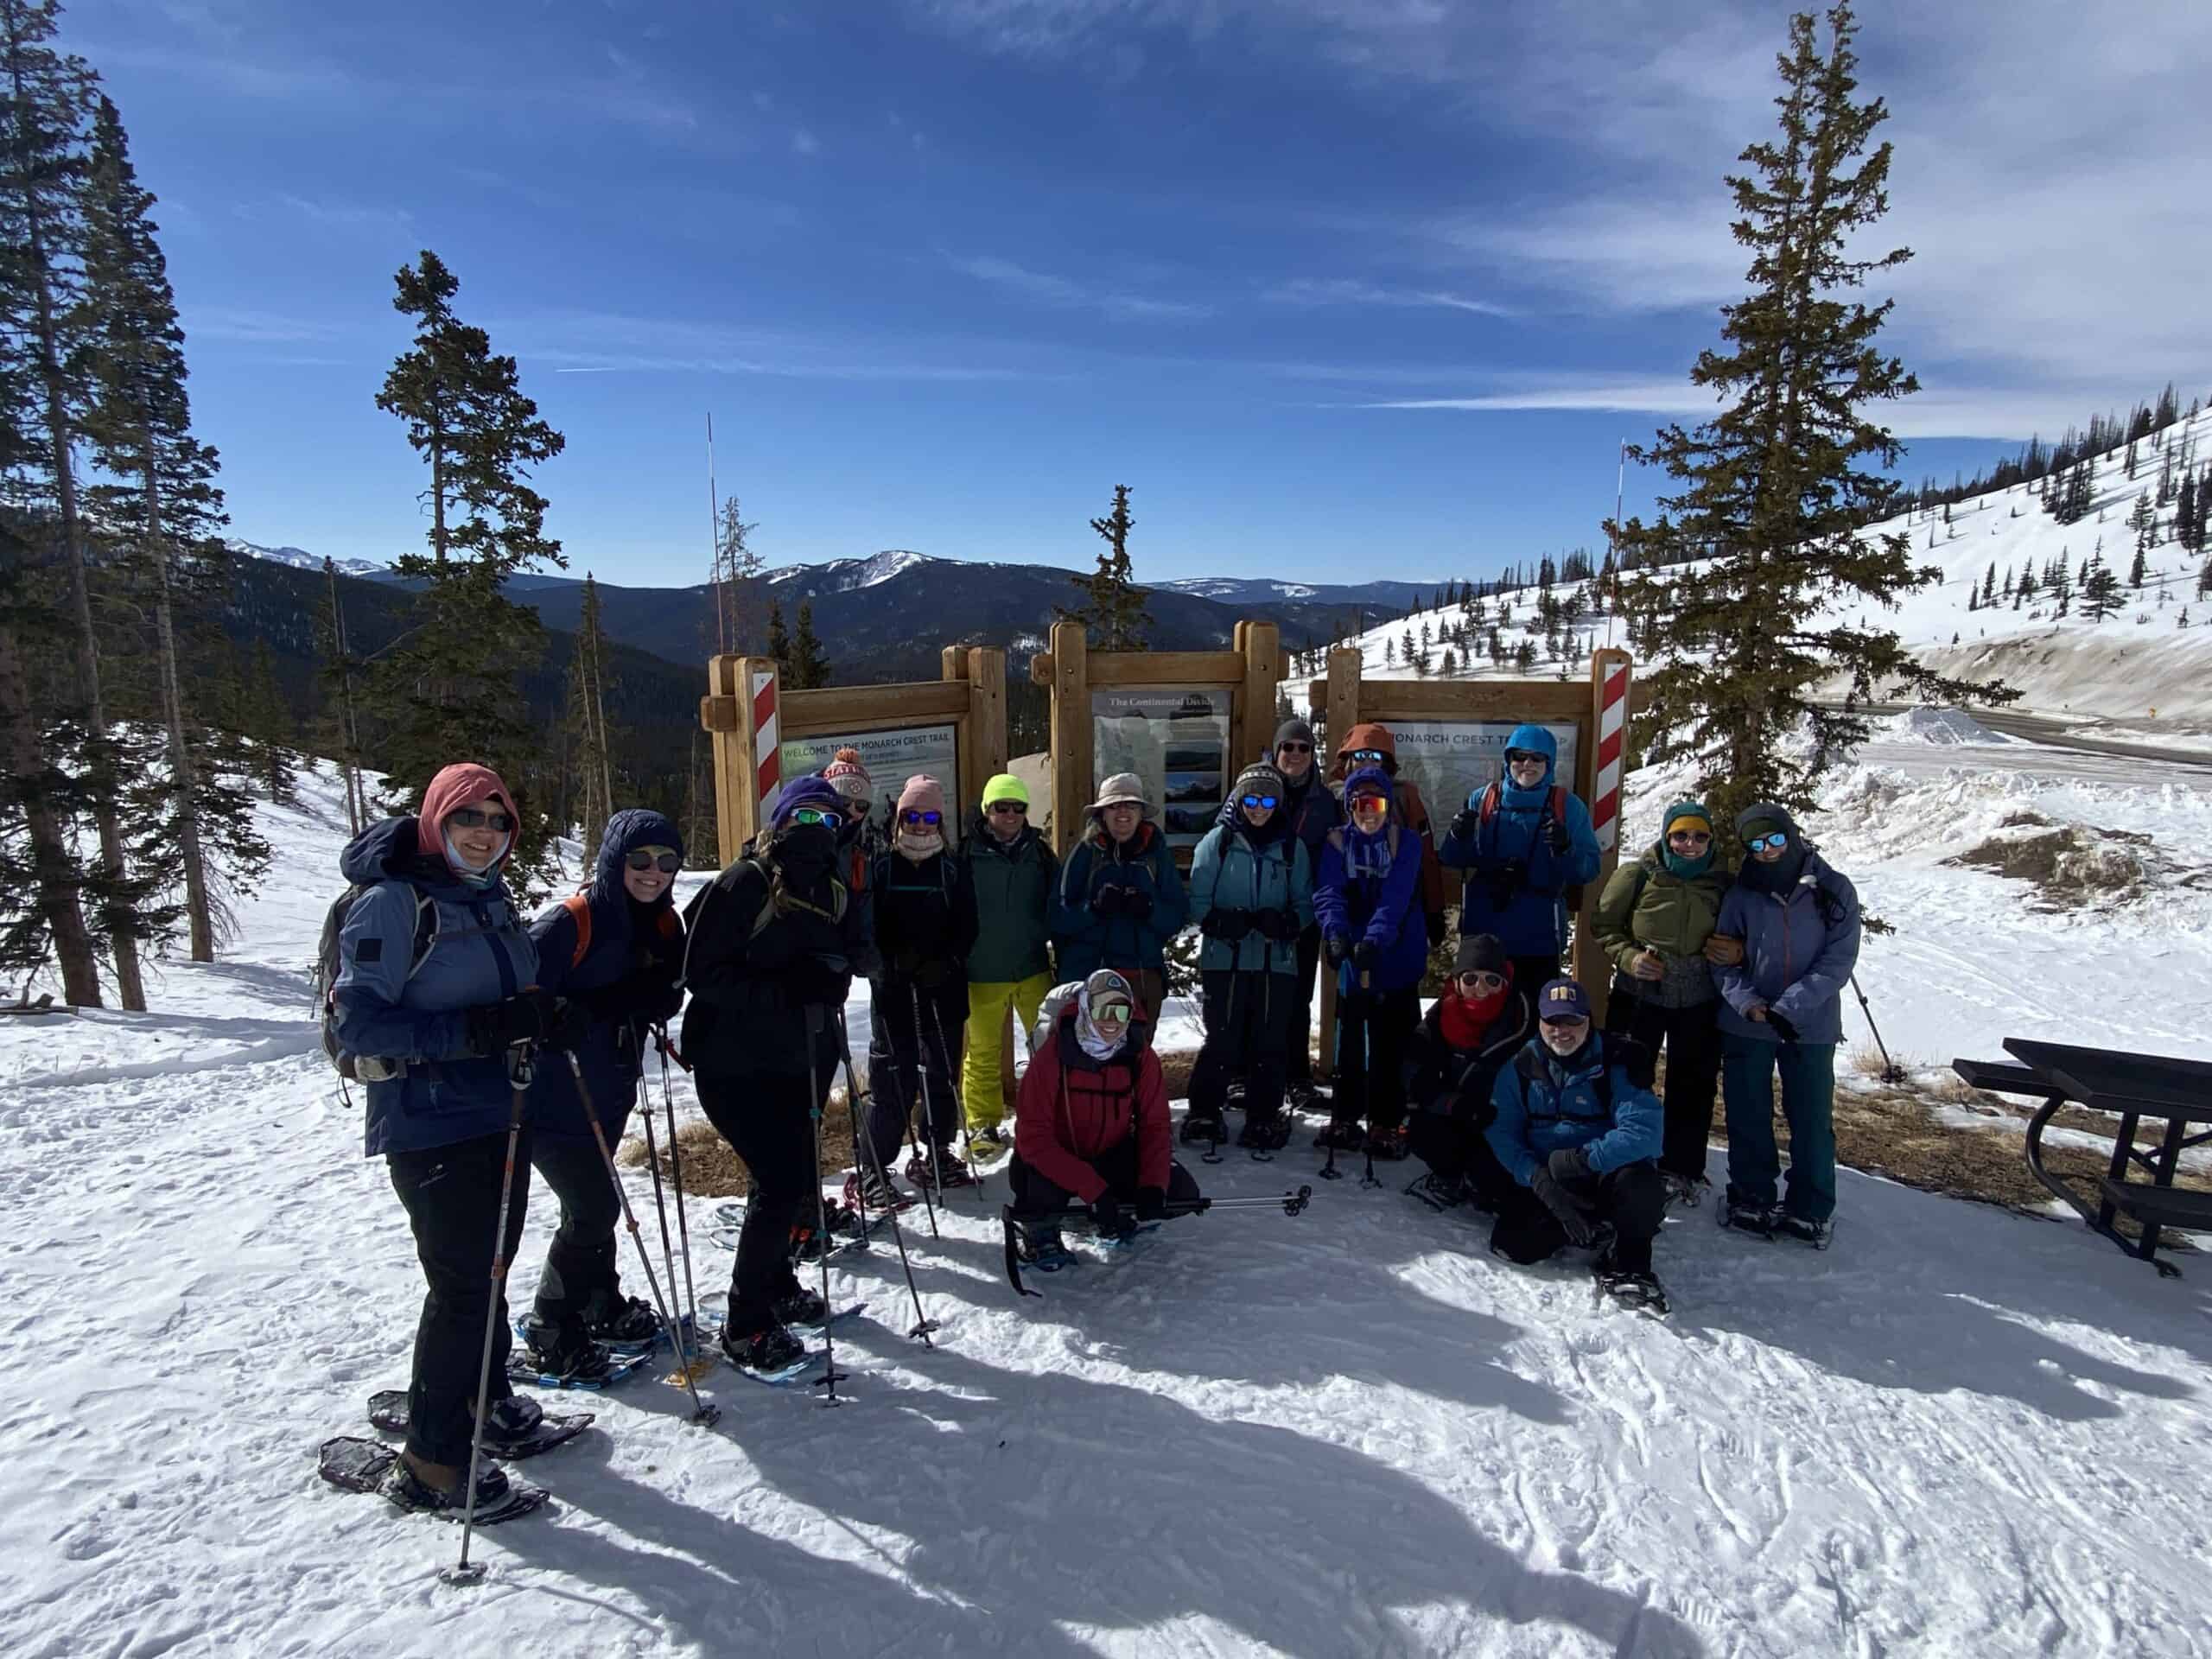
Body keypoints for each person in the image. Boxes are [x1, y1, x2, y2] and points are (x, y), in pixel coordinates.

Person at [333, 762, 579, 1512]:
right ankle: (434, 1460)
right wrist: (483, 1030)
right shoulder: (392, 904)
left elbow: (503, 995)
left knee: (491, 1270)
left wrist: (539, 1012)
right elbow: (360, 1025)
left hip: (499, 1112)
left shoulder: (486, 898)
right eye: (469, 818)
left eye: (499, 821)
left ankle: (483, 1401)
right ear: (436, 820)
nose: (485, 834)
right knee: (463, 1286)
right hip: (431, 1124)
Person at [680, 775, 875, 1374]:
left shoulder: (833, 887)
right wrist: (791, 987)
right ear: (783, 821)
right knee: (780, 1184)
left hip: (797, 1060)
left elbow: (845, 957)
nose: (819, 830)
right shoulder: (746, 882)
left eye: (831, 820)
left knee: (790, 1179)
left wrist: (841, 971)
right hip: (732, 1064)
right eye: (807, 819)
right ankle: (747, 1321)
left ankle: (778, 1284)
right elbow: (701, 973)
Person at [514, 808, 688, 1381]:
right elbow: (519, 996)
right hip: (550, 1095)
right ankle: (550, 1323)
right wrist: (561, 1013)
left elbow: (667, 986)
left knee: (592, 1203)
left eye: (666, 861)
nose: (653, 872)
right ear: (615, 860)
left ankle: (596, 1302)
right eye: (639, 859)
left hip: (608, 1089)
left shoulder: (664, 925)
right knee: (594, 1208)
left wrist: (659, 998)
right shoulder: (573, 921)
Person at [1713, 804, 1861, 1246]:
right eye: (1756, 845)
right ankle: (1751, 1195)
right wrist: (1749, 1004)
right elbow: (1721, 959)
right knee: (1747, 1112)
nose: (1768, 851)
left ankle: (1811, 1207)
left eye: (1775, 840)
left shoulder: (1833, 890)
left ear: (1791, 835)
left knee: (1812, 1116)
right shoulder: (1741, 894)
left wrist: (1789, 1007)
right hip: (1749, 1022)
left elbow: (1838, 960)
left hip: (1808, 1025)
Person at [1592, 799, 1741, 1207]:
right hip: (1639, 993)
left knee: (1692, 1084)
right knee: (1627, 1076)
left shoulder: (1724, 884)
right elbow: (1604, 925)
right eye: (1680, 835)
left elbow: (1743, 932)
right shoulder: (1638, 875)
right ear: (1666, 835)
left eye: (1698, 836)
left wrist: (1736, 951)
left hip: (1699, 995)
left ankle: (1681, 1166)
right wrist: (1628, 957)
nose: (1689, 844)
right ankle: (1619, 1156)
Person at [1485, 978, 1669, 1307]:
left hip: (1603, 1171)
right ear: (1539, 1022)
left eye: (1572, 1021)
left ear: (1588, 1020)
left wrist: (1584, 1159)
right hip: (1551, 1179)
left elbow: (1645, 1131)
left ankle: (1630, 1258)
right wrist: (1537, 1179)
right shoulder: (1518, 1067)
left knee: (1640, 1184)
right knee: (1514, 1246)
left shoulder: (1617, 1062)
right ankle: (1585, 1227)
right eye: (1552, 1021)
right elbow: (1502, 1131)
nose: (1562, 1031)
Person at [1007, 969, 1202, 1268]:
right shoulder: (1053, 1055)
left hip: (1111, 1151)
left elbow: (1155, 1126)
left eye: (1120, 1010)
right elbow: (1033, 1138)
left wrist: (1153, 1185)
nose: (1111, 1021)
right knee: (1039, 1194)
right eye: (1102, 1009)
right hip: (1054, 1157)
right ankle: (1042, 1234)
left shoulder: (1140, 1056)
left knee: (1180, 1193)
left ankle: (1116, 1215)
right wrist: (1093, 1189)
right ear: (1086, 1007)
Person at [1185, 762, 1315, 1151]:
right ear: (1238, 801)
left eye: (1268, 800)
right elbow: (1197, 901)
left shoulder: (1292, 847)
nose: (1259, 808)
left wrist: (1288, 922)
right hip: (1226, 959)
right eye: (1252, 799)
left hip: (1277, 960)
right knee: (1223, 1038)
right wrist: (1220, 922)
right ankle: (1205, 1110)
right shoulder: (1217, 842)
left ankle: (1263, 1114)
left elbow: (1307, 903)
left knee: (1270, 1040)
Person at [862, 775, 979, 1201]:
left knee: (943, 1075)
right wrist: (888, 964)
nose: (921, 824)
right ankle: (875, 1165)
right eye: (913, 815)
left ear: (940, 821)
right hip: (893, 993)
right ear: (900, 818)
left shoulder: (952, 868)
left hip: (943, 989)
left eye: (930, 816)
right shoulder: (882, 866)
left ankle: (938, 1151)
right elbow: (868, 928)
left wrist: (946, 961)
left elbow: (968, 926)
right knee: (893, 1079)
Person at [1313, 765, 1427, 1157]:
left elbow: (1396, 898)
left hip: (1395, 953)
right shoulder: (1336, 843)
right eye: (1359, 803)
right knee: (1350, 1037)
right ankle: (1345, 1114)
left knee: (1388, 1041)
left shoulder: (1405, 843)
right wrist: (1335, 932)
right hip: (1354, 956)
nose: (1368, 811)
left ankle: (1386, 1119)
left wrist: (1374, 939)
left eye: (1375, 802)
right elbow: (1329, 891)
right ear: (1349, 806)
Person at [1227, 718, 1341, 1109]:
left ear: (1313, 755)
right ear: (1275, 752)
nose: (1295, 755)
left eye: (1303, 748)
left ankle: (1297, 1077)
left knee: (1295, 999)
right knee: (1247, 994)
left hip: (1300, 916)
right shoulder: (1251, 788)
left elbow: (1336, 856)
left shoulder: (1326, 802)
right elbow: (1226, 833)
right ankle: (1242, 1075)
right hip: (1254, 910)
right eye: (1287, 747)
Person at [1439, 724, 1600, 995]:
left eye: (1537, 758)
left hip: (1538, 935)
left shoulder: (1567, 807)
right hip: (1485, 933)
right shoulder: (1484, 799)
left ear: (1549, 763)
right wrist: (1457, 836)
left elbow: (1588, 870)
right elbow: (1455, 859)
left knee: (1534, 1017)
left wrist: (1565, 849)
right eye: (1519, 757)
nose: (1527, 764)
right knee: (1482, 1018)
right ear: (1507, 760)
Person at [959, 772, 1057, 1158]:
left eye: (1019, 807)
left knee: (1048, 1048)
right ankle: (982, 1125)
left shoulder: (1039, 852)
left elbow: (1058, 901)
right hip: (982, 970)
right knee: (982, 1053)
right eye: (1002, 807)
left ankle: (1046, 1117)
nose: (1011, 814)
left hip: (1032, 966)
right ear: (987, 810)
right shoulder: (965, 855)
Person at [1402, 933, 1534, 1212]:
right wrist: (1453, 1104)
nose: (1481, 988)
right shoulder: (1439, 1018)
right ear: (1457, 982)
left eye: (1492, 980)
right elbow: (1416, 1076)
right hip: (1459, 1113)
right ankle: (1449, 1177)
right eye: (1471, 979)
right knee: (1422, 1131)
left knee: (1494, 1185)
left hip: (1506, 1121)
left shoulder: (1524, 1018)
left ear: (1505, 983)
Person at [1051, 772, 1188, 1037]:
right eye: (1114, 805)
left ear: (1141, 813)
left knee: (1136, 1058)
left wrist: (1149, 909)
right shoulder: (1084, 854)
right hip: (1089, 975)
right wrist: (1094, 908)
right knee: (1087, 1057)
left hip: (1142, 976)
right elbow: (1056, 918)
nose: (1123, 812)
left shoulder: (1156, 854)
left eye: (1131, 805)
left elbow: (1177, 916)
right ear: (1102, 813)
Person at [1328, 721, 1447, 948]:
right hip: (1350, 917)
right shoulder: (1333, 797)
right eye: (1360, 755)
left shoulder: (1405, 796)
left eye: (1375, 756)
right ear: (1348, 760)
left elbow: (1426, 855)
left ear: (1387, 762)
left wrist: (1434, 909)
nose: (1367, 762)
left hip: (1399, 917)